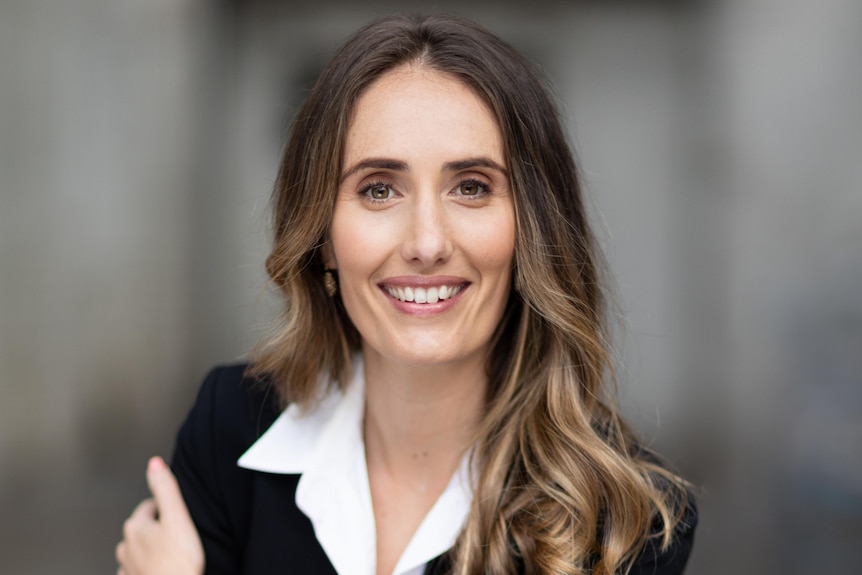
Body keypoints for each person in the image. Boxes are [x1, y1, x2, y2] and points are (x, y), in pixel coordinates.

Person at [116, 13, 696, 575]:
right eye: (378, 190)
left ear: (531, 232)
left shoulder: (627, 517)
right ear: (322, 238)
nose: (426, 242)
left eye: (471, 187)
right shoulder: (233, 427)